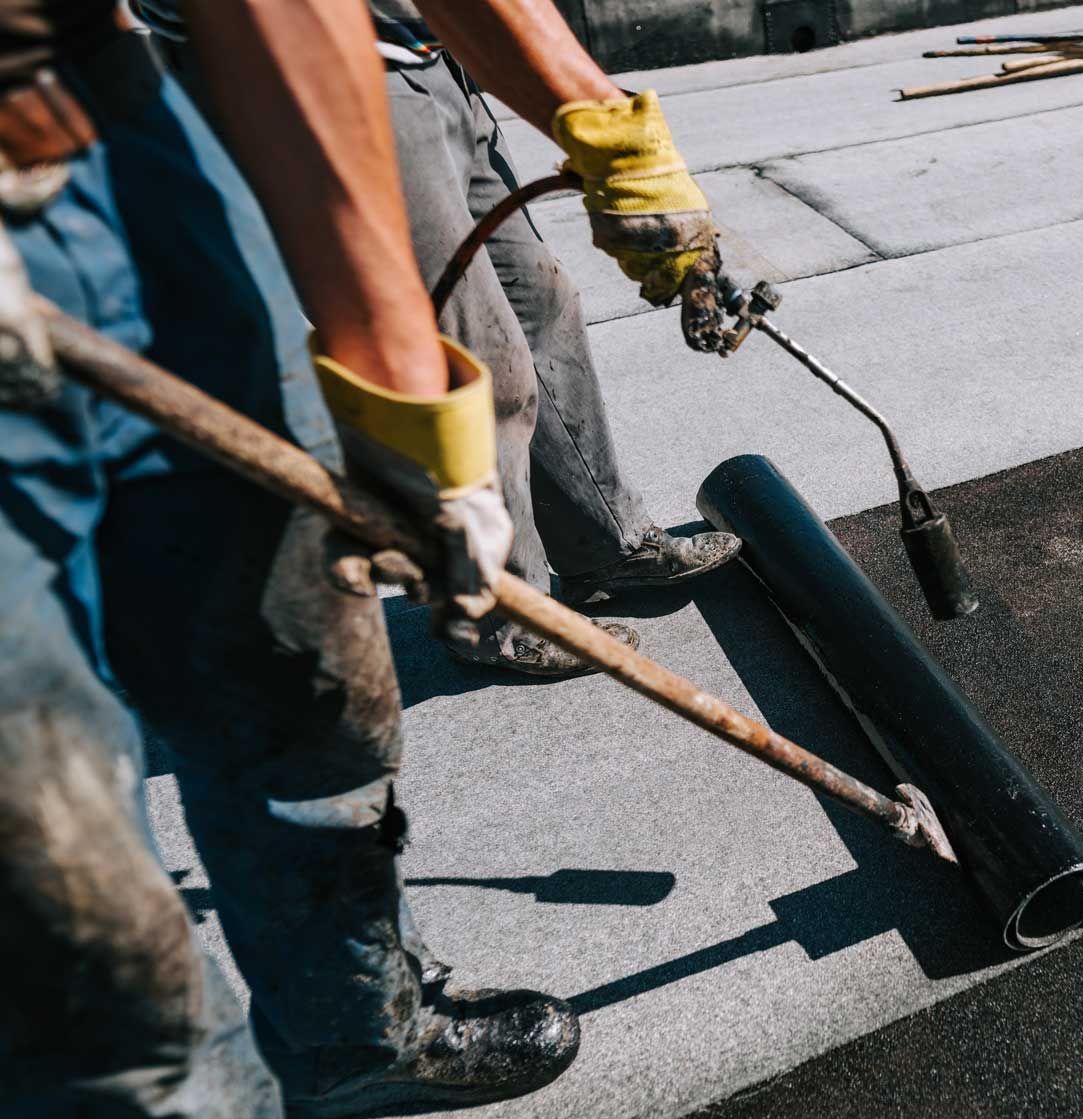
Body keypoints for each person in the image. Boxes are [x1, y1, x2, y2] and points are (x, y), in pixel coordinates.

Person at [0, 0, 727, 1119]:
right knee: (63, 913)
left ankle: (349, 1028)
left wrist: (400, 389)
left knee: (298, 661)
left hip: (110, 134)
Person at [139, 0, 746, 676]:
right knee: (474, 360)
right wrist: (612, 130)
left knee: (541, 303)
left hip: (428, 55)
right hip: (312, 69)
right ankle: (500, 615)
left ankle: (605, 545)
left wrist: (599, 128)